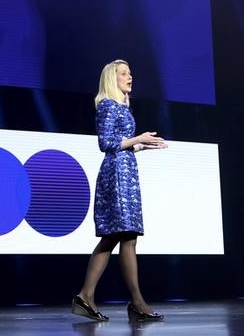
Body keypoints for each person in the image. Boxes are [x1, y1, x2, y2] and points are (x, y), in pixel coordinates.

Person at [72, 59, 167, 322]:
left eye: (130, 72)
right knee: (125, 236)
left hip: (126, 173)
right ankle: (136, 301)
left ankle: (86, 296)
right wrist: (138, 138)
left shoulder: (122, 107)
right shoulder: (107, 105)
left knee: (119, 237)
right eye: (123, 73)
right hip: (115, 176)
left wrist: (143, 146)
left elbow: (121, 145)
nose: (130, 77)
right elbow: (106, 143)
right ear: (111, 79)